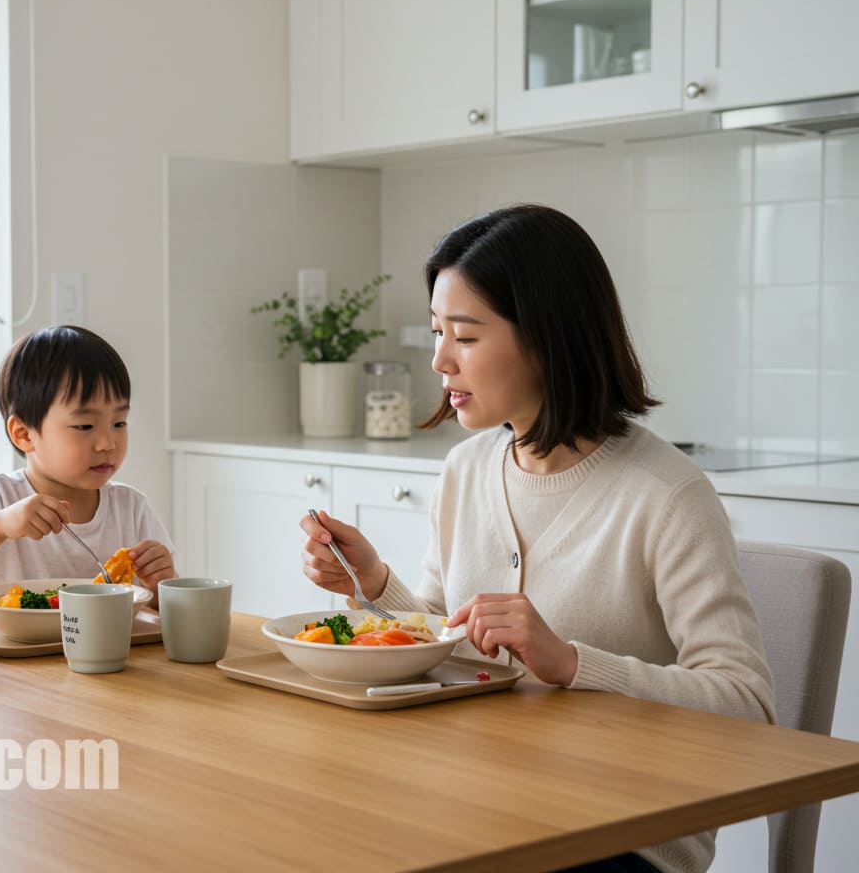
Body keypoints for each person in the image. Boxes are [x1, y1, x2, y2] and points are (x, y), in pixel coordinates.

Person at [298, 205, 774, 873]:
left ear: (548, 338)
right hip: (480, 805)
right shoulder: (465, 470)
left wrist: (574, 663)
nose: (437, 360)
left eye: (463, 336)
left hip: (621, 841)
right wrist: (375, 584)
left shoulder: (667, 495)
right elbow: (442, 645)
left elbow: (748, 708)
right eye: (438, 332)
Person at [0, 325, 176, 597]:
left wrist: (162, 581)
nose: (108, 443)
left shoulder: (131, 508)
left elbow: (166, 609)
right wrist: (0, 526)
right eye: (85, 426)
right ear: (23, 434)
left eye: (119, 422)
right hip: (1, 641)